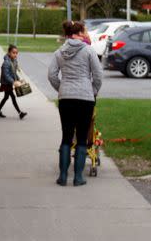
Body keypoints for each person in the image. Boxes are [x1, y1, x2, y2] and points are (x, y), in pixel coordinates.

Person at [48, 21, 102, 186]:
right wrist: (92, 91)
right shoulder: (88, 51)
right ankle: (78, 177)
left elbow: (51, 75)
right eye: (83, 32)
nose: (85, 35)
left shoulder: (59, 52)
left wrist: (62, 89)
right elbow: (98, 75)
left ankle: (63, 176)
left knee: (66, 137)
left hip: (66, 99)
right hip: (85, 99)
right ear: (77, 34)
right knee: (81, 138)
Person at [0, 44, 28, 119]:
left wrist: (19, 79)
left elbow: (14, 73)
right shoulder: (6, 63)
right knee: (12, 97)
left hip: (10, 82)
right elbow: (6, 75)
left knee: (6, 97)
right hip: (6, 83)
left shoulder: (14, 61)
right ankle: (20, 113)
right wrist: (13, 82)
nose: (15, 54)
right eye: (13, 52)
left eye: (16, 53)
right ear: (9, 53)